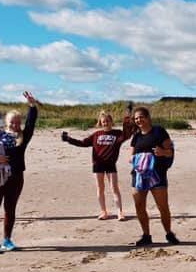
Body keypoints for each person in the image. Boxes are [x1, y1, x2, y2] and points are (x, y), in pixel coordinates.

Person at [0, 91, 39, 254]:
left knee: (10, 208)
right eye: (12, 122)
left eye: (18, 122)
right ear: (6, 122)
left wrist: (32, 106)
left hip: (16, 177)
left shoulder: (22, 137)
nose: (15, 124)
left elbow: (31, 123)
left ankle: (7, 240)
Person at [62, 105, 136, 220]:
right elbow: (83, 143)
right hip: (98, 164)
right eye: (103, 122)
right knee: (100, 189)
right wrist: (68, 139)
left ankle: (120, 212)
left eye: (108, 121)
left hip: (110, 164)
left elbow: (127, 133)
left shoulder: (118, 134)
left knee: (114, 188)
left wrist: (127, 117)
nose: (106, 123)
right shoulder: (96, 135)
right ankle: (103, 212)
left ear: (111, 122)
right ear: (100, 123)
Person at [129, 106, 178, 247]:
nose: (139, 120)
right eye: (136, 118)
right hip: (139, 175)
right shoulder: (136, 136)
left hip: (157, 174)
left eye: (141, 117)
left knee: (162, 207)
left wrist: (163, 152)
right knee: (139, 206)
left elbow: (170, 151)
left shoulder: (159, 132)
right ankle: (146, 235)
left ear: (148, 117)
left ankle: (169, 233)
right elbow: (131, 155)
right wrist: (135, 159)